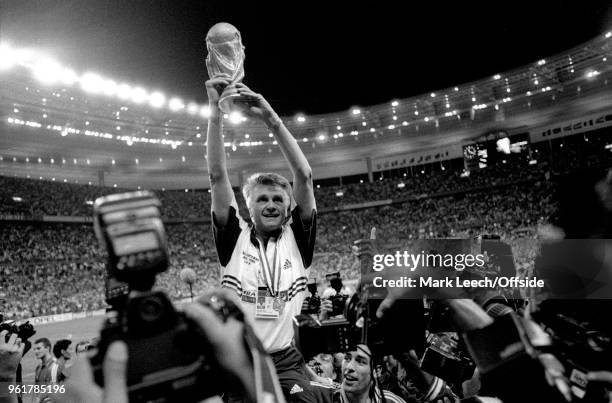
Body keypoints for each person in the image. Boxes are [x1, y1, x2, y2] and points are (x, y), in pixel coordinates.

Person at [205, 78, 317, 402]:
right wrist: (215, 112)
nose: (271, 204)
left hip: (285, 362)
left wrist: (270, 118)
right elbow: (216, 176)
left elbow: (305, 177)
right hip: (240, 363)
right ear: (249, 206)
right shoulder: (233, 238)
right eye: (262, 199)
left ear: (288, 207)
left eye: (278, 199)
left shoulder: (298, 239)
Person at [311, 344, 406, 403]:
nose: (349, 367)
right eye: (347, 358)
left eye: (361, 361)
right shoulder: (324, 398)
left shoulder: (391, 401)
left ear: (376, 371)